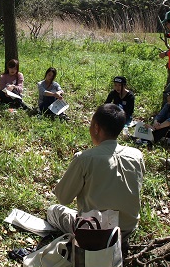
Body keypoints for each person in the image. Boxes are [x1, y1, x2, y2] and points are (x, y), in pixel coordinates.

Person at [47, 104, 145, 244]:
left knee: (54, 210)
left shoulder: (85, 159)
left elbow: (63, 198)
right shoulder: (137, 155)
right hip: (127, 230)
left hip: (96, 231)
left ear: (96, 128)